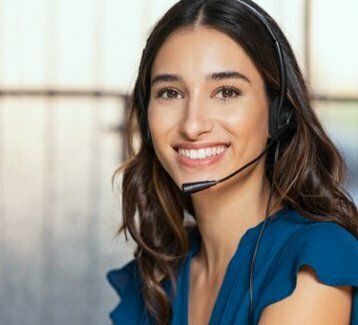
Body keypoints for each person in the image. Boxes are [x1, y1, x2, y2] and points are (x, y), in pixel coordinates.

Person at [107, 0, 358, 324]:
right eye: (170, 92)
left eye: (226, 92)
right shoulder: (160, 276)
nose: (192, 125)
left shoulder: (314, 261)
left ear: (279, 113)